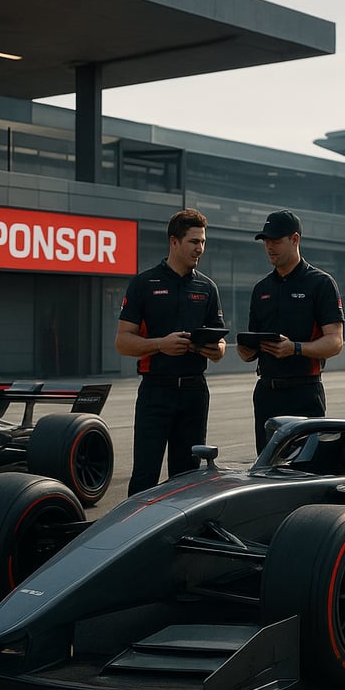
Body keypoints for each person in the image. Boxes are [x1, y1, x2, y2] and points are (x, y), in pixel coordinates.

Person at [116, 208, 226, 495]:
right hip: (156, 392)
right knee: (145, 476)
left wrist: (216, 350)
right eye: (193, 241)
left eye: (202, 242)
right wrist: (160, 344)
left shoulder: (207, 287)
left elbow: (221, 342)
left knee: (188, 478)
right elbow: (123, 342)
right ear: (174, 242)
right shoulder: (144, 283)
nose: (200, 248)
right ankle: (134, 535)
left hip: (194, 393)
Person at [237, 209, 344, 453]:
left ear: (295, 239)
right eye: (265, 242)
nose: (269, 247)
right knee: (266, 469)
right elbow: (250, 351)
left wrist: (294, 348)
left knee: (305, 468)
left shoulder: (321, 283)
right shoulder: (261, 288)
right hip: (266, 393)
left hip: (304, 392)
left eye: (275, 241)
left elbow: (335, 342)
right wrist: (245, 350)